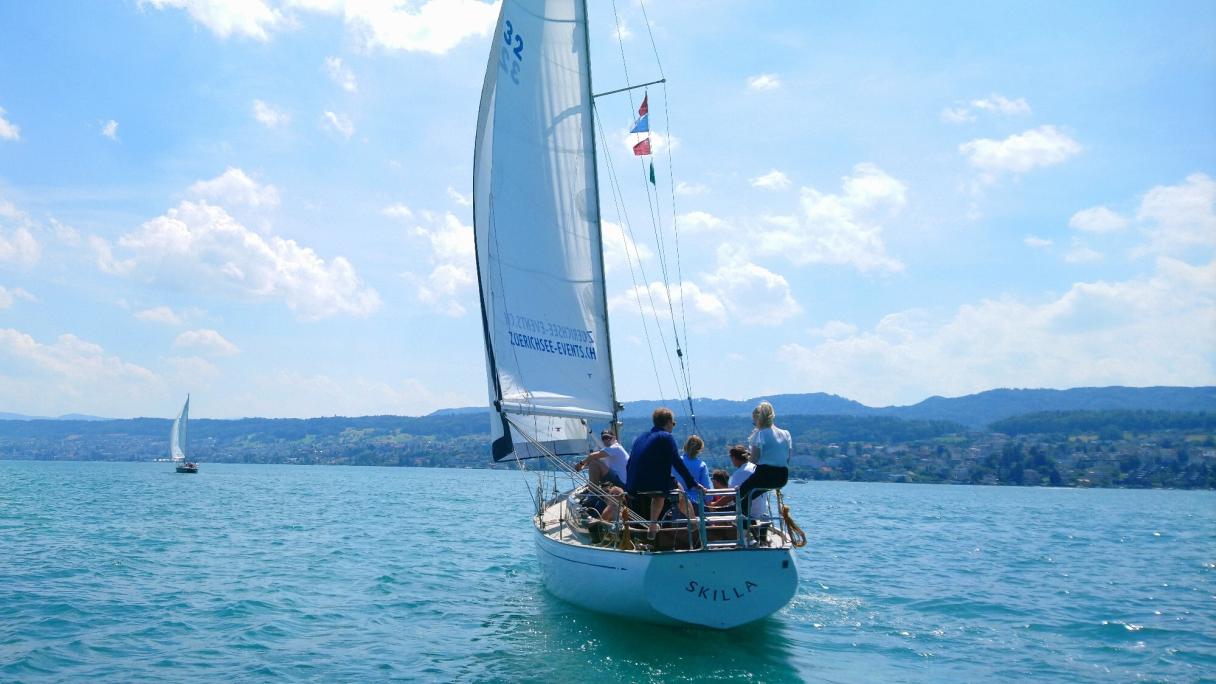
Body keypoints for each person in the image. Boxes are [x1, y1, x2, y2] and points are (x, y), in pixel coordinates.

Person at [626, 407, 707, 538]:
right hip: (654, 482)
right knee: (680, 491)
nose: (672, 427)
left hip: (634, 484)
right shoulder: (666, 437)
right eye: (673, 424)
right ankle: (692, 522)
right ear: (669, 422)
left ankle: (652, 527)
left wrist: (629, 486)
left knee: (659, 495)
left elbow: (630, 463)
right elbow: (677, 462)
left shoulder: (641, 437)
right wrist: (693, 483)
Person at [738, 401, 791, 521]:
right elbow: (787, 458)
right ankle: (759, 525)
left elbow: (754, 460)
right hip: (782, 478)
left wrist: (748, 456)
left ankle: (746, 530)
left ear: (758, 420)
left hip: (764, 475)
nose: (754, 425)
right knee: (750, 495)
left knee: (740, 496)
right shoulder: (786, 434)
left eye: (754, 422)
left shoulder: (760, 434)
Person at [673, 435, 711, 517]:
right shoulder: (701, 465)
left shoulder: (675, 463)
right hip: (698, 504)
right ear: (700, 450)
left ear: (685, 446)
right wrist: (710, 506)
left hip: (678, 503)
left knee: (680, 528)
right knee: (700, 528)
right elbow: (706, 487)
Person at [726, 444, 766, 520]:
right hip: (761, 512)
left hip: (748, 513)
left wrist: (714, 505)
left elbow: (730, 496)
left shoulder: (740, 472)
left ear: (734, 458)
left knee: (717, 511)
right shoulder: (755, 468)